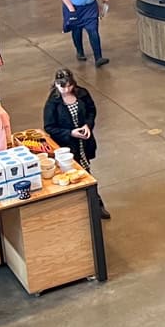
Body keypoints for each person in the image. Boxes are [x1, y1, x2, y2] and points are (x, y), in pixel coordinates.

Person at [44, 68, 109, 220]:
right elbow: (49, 127)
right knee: (81, 176)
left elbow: (91, 111)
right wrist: (70, 133)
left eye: (69, 86)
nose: (66, 90)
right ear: (56, 85)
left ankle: (96, 206)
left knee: (85, 174)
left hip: (84, 144)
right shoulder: (53, 103)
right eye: (62, 87)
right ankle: (92, 206)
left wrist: (88, 125)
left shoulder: (82, 94)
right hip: (67, 148)